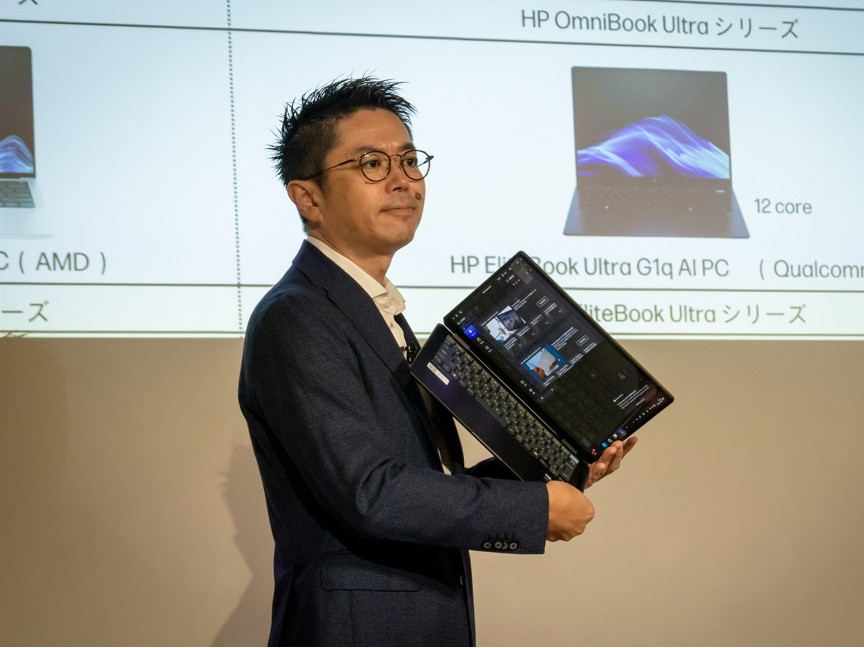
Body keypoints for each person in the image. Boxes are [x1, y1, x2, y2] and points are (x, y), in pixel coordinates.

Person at [238, 76, 636, 647]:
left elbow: (427, 485)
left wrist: (559, 468)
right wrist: (533, 511)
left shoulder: (377, 312)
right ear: (308, 198)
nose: (402, 180)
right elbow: (372, 493)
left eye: (409, 160)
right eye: (371, 164)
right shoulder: (297, 315)